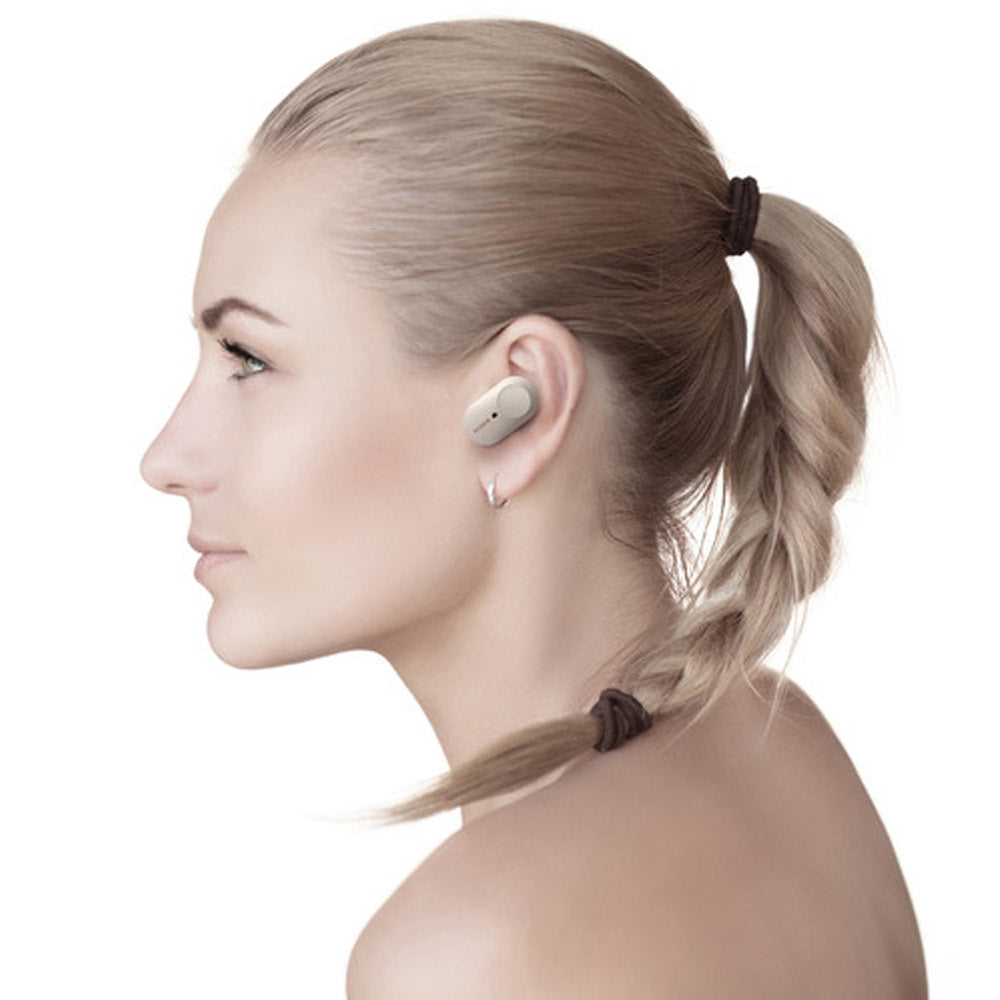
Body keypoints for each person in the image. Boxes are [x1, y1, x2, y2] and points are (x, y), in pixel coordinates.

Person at [140, 19, 927, 998]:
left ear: (517, 409)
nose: (165, 458)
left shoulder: (476, 951)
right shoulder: (778, 744)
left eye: (250, 360)